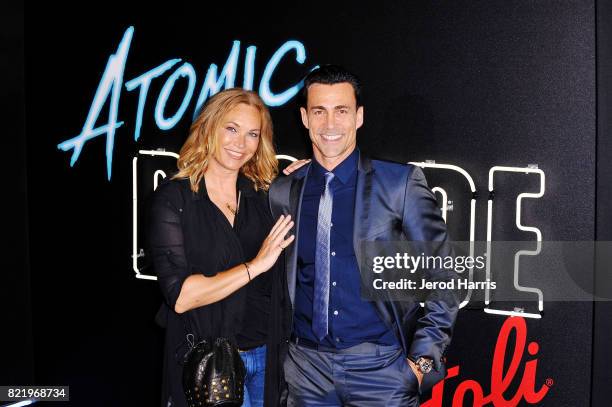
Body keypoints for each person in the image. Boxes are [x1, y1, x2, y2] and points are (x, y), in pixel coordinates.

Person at [269, 65, 459, 406]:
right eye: (319, 111)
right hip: (306, 369)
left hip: (381, 369)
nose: (329, 125)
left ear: (359, 116)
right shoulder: (284, 190)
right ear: (304, 118)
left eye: (341, 111)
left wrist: (422, 362)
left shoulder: (398, 184)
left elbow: (446, 273)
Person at [149, 88, 295, 407]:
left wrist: (310, 175)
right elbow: (183, 296)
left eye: (252, 134)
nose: (240, 144)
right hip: (210, 363)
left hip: (268, 357)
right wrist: (255, 266)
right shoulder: (175, 200)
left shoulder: (263, 197)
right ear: (209, 128)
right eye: (231, 129)